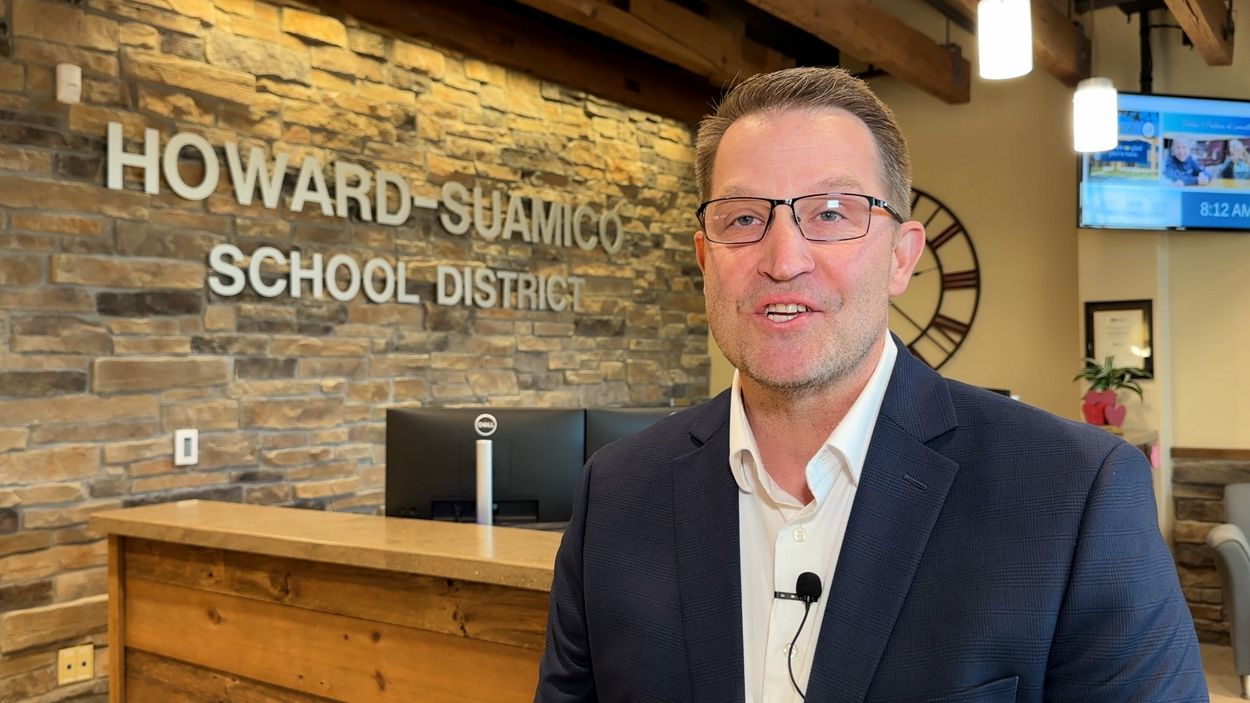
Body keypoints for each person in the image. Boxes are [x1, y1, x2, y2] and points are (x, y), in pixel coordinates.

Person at [536, 66, 1207, 702]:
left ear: (901, 257)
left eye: (831, 213)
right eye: (743, 218)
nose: (783, 260)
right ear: (705, 258)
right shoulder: (617, 495)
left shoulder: (1074, 494)